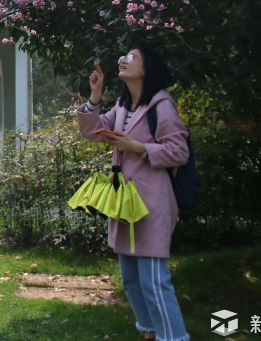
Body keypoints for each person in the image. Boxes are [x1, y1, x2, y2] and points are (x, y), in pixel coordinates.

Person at [78, 47, 190, 341]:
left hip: (152, 203)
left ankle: (174, 337)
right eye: (123, 57)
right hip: (124, 201)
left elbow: (180, 151)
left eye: (132, 57)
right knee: (130, 280)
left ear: (147, 69)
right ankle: (150, 332)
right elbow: (92, 131)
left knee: (154, 280)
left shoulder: (161, 106)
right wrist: (95, 97)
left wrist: (139, 148)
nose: (123, 61)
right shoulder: (123, 106)